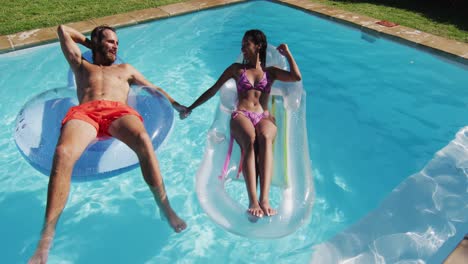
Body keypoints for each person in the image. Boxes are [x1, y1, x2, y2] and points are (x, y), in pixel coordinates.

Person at [29, 25, 187, 263]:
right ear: (96, 43)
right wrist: (86, 43)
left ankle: (165, 207)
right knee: (62, 152)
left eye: (117, 43)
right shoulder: (81, 65)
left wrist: (176, 104)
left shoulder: (125, 69)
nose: (116, 46)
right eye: (111, 41)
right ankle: (46, 236)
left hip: (118, 112)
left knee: (144, 139)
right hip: (86, 113)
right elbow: (63, 30)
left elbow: (154, 89)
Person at [179, 29, 301, 218]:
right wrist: (191, 107)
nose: (242, 48)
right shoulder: (237, 69)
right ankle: (253, 199)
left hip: (263, 116)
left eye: (246, 44)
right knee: (250, 141)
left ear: (258, 46)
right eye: (242, 45)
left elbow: (296, 77)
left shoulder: (271, 72)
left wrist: (288, 54)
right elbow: (213, 90)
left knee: (266, 137)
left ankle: (265, 199)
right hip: (242, 115)